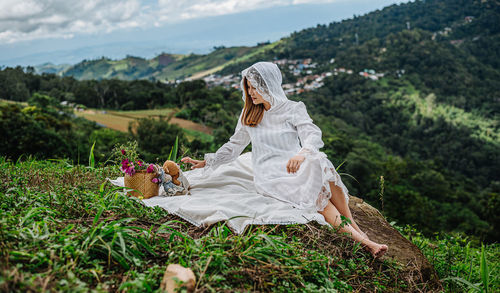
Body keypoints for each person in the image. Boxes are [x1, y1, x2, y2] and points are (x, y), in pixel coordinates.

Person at [181, 62, 388, 258]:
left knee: (320, 161)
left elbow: (312, 135)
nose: (250, 93)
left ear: (268, 85)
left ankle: (352, 224)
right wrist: (208, 162)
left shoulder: (293, 108)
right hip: (271, 175)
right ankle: (366, 243)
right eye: (248, 88)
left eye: (255, 88)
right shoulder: (249, 113)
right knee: (320, 201)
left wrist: (301, 154)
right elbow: (234, 145)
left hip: (296, 164)